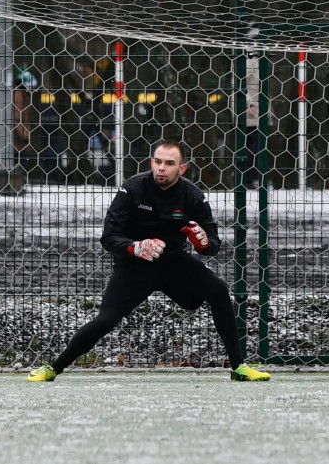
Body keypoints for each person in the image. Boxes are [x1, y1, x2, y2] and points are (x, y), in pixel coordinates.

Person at [27, 140, 270, 382]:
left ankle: (239, 367)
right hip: (134, 266)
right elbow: (109, 237)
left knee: (218, 290)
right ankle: (53, 368)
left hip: (175, 263)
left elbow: (212, 242)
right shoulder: (132, 188)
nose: (161, 167)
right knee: (106, 320)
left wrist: (204, 243)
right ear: (152, 162)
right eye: (158, 161)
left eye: (170, 163)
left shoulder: (193, 195)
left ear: (182, 169)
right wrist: (135, 247)